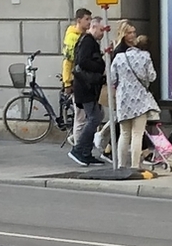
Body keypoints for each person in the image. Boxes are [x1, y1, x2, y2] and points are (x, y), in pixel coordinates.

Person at [109, 21, 158, 171]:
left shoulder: (118, 57)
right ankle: (135, 166)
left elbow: (112, 79)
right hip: (140, 100)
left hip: (123, 99)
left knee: (124, 134)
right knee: (137, 134)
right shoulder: (145, 56)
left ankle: (120, 165)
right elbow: (152, 76)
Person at [67, 9, 106, 165]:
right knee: (94, 118)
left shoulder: (89, 41)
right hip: (85, 87)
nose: (103, 33)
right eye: (101, 30)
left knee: (96, 116)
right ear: (94, 27)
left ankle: (86, 152)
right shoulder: (88, 41)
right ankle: (78, 150)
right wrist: (99, 64)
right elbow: (82, 62)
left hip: (87, 86)